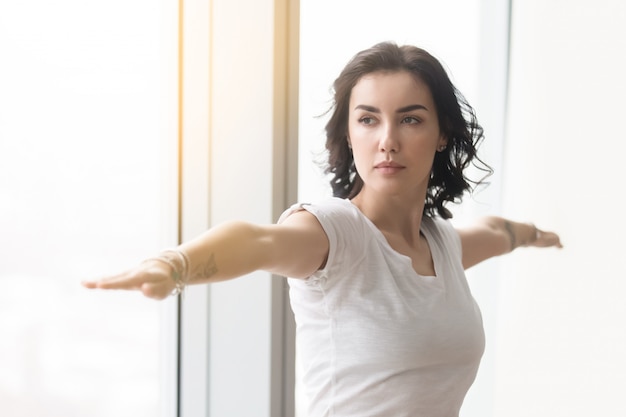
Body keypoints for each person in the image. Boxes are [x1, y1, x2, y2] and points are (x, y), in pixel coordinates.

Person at [83, 42, 562, 417]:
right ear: (349, 133)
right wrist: (173, 265)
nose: (387, 141)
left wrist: (531, 234)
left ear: (441, 135)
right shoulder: (336, 233)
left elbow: (496, 232)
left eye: (410, 119)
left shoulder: (441, 243)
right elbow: (257, 241)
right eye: (368, 119)